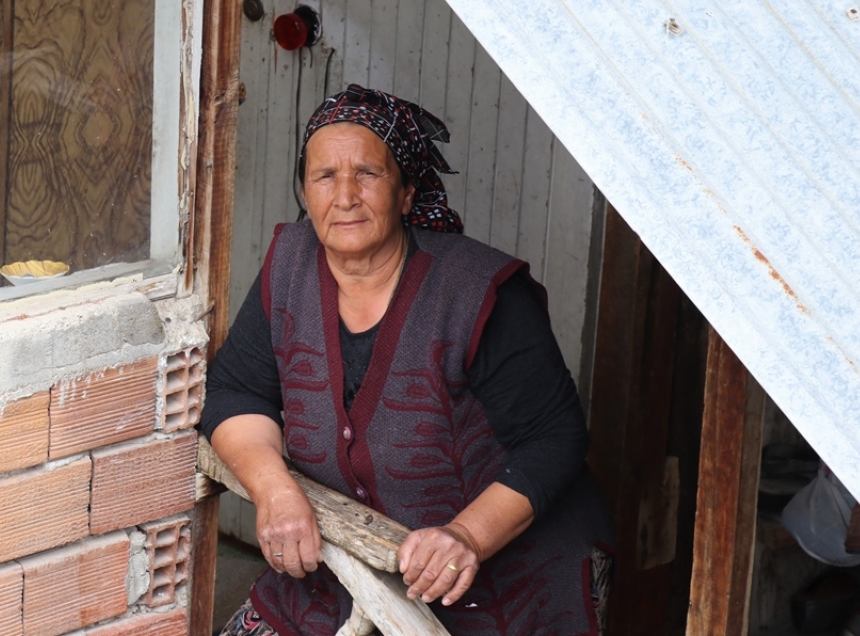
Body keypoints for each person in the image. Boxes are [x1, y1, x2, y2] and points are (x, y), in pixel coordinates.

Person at [200, 85, 613, 636]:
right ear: (304, 189)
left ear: (405, 192)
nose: (345, 196)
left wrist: (466, 536)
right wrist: (274, 489)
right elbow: (236, 392)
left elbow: (555, 438)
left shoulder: (476, 294)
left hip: (502, 588)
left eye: (367, 174)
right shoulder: (289, 263)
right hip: (342, 576)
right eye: (325, 176)